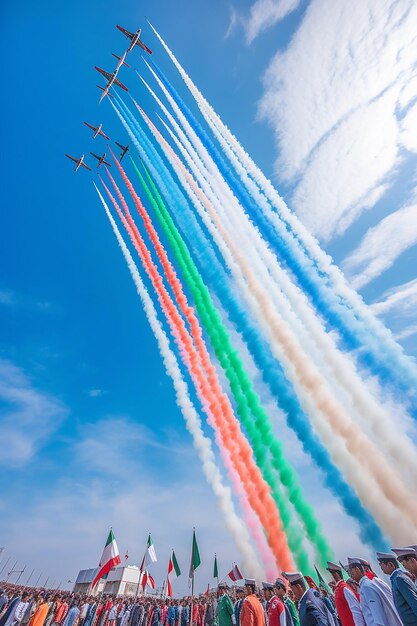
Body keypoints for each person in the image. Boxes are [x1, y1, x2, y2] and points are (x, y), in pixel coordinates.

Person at [347, 557, 402, 626]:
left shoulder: (366, 587)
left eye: (351, 571)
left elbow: (378, 616)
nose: (350, 574)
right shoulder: (366, 585)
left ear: (357, 569)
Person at [377, 551, 417, 625]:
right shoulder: (397, 577)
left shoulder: (399, 578)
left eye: (381, 564)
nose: (381, 567)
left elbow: (414, 602)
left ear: (390, 564)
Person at [326, 561, 365, 626]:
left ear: (336, 574)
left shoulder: (344, 588)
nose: (329, 578)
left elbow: (356, 610)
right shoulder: (339, 588)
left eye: (330, 574)